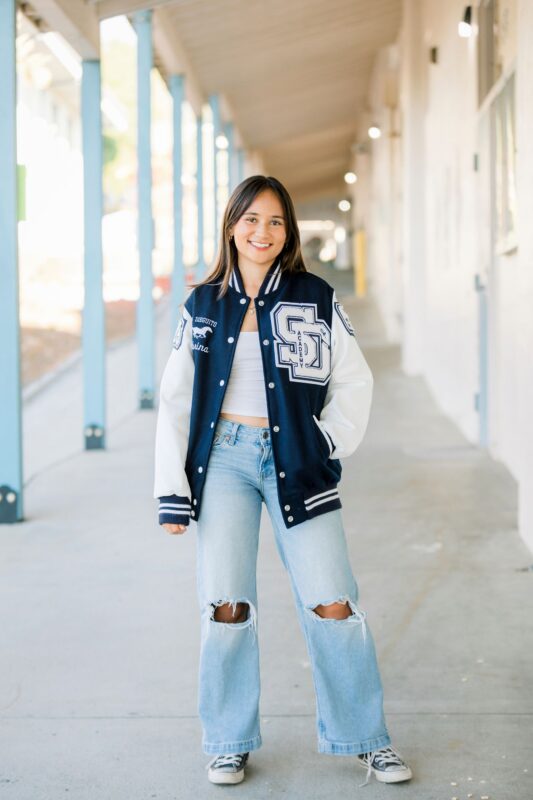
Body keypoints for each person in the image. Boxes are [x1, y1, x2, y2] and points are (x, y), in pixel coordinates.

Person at [153, 175, 412, 787]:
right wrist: (173, 492)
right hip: (223, 463)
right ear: (231, 226)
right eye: (251, 220)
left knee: (333, 601)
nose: (262, 233)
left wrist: (327, 443)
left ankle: (365, 739)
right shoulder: (202, 305)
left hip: (298, 462)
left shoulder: (315, 296)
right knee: (226, 605)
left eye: (275, 222)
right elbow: (174, 399)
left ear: (288, 231)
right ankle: (228, 741)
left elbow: (355, 381)